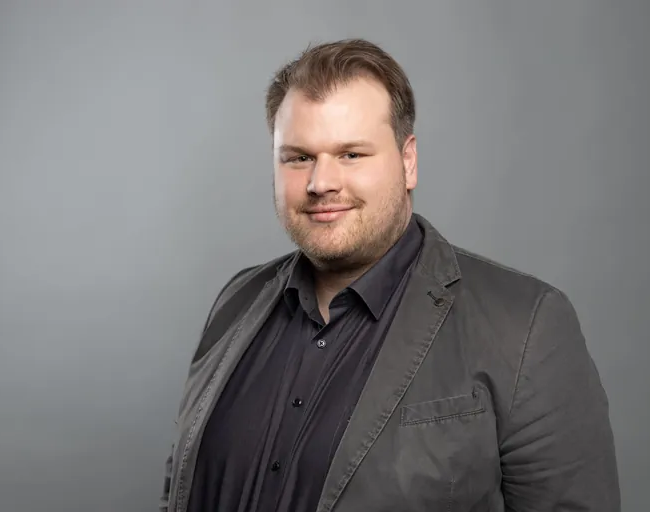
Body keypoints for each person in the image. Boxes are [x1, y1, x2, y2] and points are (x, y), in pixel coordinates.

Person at [159, 38, 620, 512]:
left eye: (351, 154)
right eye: (299, 157)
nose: (321, 183)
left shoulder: (524, 326)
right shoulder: (237, 301)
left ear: (408, 161)